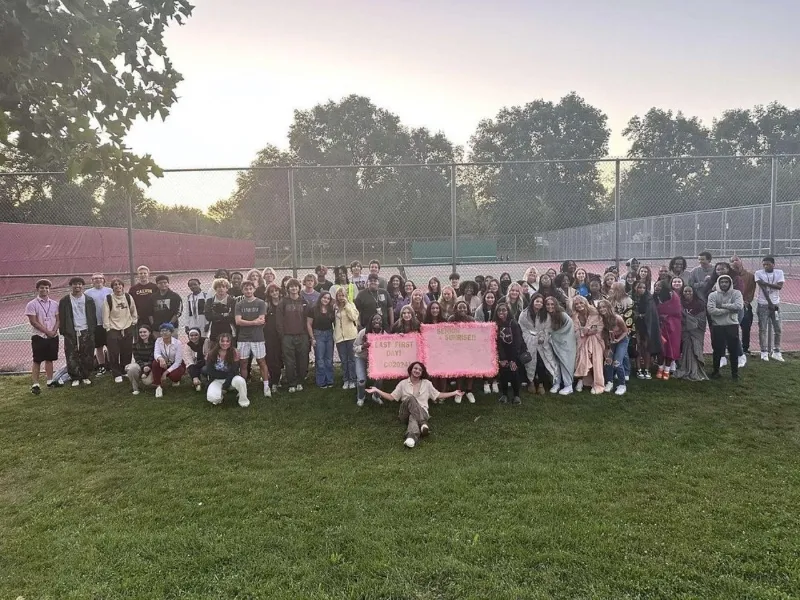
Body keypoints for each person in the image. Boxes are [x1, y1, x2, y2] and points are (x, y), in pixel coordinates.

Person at [367, 362, 462, 449]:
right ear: (411, 369)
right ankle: (423, 424)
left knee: (413, 416)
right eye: (415, 368)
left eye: (420, 370)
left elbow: (438, 395)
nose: (417, 371)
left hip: (422, 411)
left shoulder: (427, 384)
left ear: (422, 373)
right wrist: (377, 390)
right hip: (405, 413)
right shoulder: (403, 383)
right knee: (411, 398)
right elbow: (391, 397)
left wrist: (454, 393)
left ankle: (411, 438)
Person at [59, 276, 97, 387]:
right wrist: (64, 331)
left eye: (80, 284)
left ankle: (85, 376)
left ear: (82, 286)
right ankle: (75, 377)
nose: (77, 286)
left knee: (87, 353)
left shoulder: (89, 300)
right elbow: (62, 317)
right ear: (71, 286)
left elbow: (93, 316)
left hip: (86, 330)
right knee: (71, 354)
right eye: (75, 284)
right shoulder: (65, 300)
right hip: (71, 331)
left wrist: (92, 329)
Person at [235, 280, 271, 397]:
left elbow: (261, 320)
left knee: (261, 361)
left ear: (254, 289)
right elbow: (238, 321)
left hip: (257, 338)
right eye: (246, 289)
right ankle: (243, 387)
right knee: (243, 363)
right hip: (243, 338)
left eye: (250, 288)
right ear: (242, 290)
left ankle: (266, 386)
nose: (248, 291)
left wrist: (250, 322)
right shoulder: (239, 304)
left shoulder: (261, 303)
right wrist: (254, 322)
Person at [25, 279, 60, 394]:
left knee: (49, 359)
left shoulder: (55, 304)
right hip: (39, 336)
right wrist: (47, 332)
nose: (44, 290)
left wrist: (54, 331)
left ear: (49, 289)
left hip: (52, 336)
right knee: (37, 360)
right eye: (42, 287)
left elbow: (58, 319)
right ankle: (35, 384)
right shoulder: (31, 304)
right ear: (37, 289)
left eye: (46, 288)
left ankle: (50, 381)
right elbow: (34, 322)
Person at [519, 294, 557, 395]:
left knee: (541, 361)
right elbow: (522, 328)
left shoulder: (545, 315)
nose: (539, 303)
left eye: (541, 302)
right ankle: (530, 382)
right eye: (537, 301)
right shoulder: (524, 314)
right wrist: (531, 338)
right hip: (528, 340)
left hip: (542, 342)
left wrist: (542, 337)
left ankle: (540, 383)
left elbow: (547, 329)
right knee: (530, 361)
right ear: (533, 302)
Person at [102, 278, 138, 384]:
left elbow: (133, 310)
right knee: (114, 352)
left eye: (119, 284)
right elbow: (105, 314)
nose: (118, 286)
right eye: (115, 285)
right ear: (112, 287)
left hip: (127, 327)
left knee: (126, 351)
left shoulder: (128, 297)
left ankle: (124, 370)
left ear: (123, 286)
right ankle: (116, 373)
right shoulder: (108, 298)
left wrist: (133, 321)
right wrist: (108, 328)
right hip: (113, 329)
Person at [276, 278, 310, 393]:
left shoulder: (304, 301)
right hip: (287, 336)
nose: (294, 288)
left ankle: (300, 381)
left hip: (302, 335)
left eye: (296, 286)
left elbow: (308, 319)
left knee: (303, 359)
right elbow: (279, 321)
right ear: (288, 288)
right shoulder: (283, 302)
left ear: (299, 288)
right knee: (289, 361)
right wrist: (283, 336)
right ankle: (292, 383)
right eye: (291, 286)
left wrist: (307, 334)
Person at [707, 274, 743, 380]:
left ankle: (734, 373)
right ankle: (716, 371)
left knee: (733, 350)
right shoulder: (712, 295)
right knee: (717, 350)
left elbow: (739, 306)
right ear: (718, 283)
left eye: (726, 282)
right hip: (718, 326)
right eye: (721, 282)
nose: (724, 284)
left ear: (730, 283)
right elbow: (711, 310)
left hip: (732, 325)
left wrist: (722, 306)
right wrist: (729, 309)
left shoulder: (736, 293)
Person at [205, 333, 250, 407]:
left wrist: (225, 385)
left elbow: (234, 371)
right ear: (218, 342)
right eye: (222, 341)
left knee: (241, 381)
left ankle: (243, 401)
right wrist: (225, 377)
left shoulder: (234, 352)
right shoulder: (212, 353)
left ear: (230, 342)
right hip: (217, 379)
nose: (225, 343)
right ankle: (220, 395)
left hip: (232, 378)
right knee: (213, 399)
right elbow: (210, 371)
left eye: (227, 341)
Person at [674, 286, 709, 382]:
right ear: (682, 292)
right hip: (684, 331)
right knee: (686, 348)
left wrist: (690, 321)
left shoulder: (700, 304)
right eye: (685, 291)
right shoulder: (679, 303)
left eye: (690, 291)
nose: (687, 293)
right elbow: (678, 316)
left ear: (694, 292)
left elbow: (701, 320)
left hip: (696, 332)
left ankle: (695, 369)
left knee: (695, 349)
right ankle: (685, 367)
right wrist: (687, 321)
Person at [572, 296, 605, 394]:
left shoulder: (595, 313)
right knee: (581, 355)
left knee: (596, 360)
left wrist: (586, 331)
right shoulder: (575, 316)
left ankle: (598, 384)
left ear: (585, 303)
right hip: (581, 341)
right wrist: (586, 331)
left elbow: (598, 328)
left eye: (581, 303)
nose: (579, 305)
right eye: (576, 304)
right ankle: (582, 380)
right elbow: (575, 331)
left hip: (596, 340)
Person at [494, 303, 524, 405]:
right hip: (502, 354)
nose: (501, 312)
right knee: (503, 375)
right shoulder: (495, 325)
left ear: (508, 311)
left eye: (504, 310)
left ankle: (516, 395)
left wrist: (513, 359)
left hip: (513, 353)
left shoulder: (513, 323)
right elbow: (497, 342)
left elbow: (518, 342)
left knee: (514, 373)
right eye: (499, 310)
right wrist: (502, 358)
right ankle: (504, 394)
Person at [546, 296, 577, 395]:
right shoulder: (545, 315)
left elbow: (569, 326)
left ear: (556, 305)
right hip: (551, 343)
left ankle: (568, 385)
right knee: (554, 364)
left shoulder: (562, 315)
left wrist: (555, 335)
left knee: (565, 362)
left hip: (564, 343)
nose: (550, 306)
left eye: (552, 304)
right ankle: (556, 383)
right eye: (548, 304)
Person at [597, 300, 629, 395]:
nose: (602, 309)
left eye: (604, 307)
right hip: (610, 342)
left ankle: (622, 385)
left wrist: (618, 340)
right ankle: (609, 382)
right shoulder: (601, 319)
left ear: (608, 307)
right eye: (600, 307)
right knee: (608, 362)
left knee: (617, 363)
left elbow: (625, 331)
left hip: (621, 341)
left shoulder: (617, 318)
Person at [354, 314, 386, 407]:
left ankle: (376, 396)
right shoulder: (363, 332)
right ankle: (361, 397)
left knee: (380, 378)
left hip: (376, 359)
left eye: (379, 319)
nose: (377, 321)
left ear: (382, 322)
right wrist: (363, 346)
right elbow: (354, 347)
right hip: (361, 357)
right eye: (374, 319)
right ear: (370, 321)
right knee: (361, 380)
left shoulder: (385, 334)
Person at [448, 300, 477, 403]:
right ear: (456, 309)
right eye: (460, 307)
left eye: (464, 307)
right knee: (459, 370)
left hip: (469, 349)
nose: (462, 309)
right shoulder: (451, 319)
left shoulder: (471, 320)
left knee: (470, 371)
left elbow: (475, 335)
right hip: (456, 349)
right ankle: (459, 391)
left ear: (467, 309)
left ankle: (469, 391)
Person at [632, 280, 662, 380]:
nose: (641, 289)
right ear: (635, 288)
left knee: (647, 347)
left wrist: (644, 316)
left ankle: (647, 369)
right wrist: (637, 315)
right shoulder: (632, 298)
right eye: (639, 287)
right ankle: (638, 369)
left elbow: (652, 313)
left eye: (643, 288)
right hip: (636, 325)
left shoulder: (649, 299)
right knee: (638, 347)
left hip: (646, 326)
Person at [654, 277, 683, 380]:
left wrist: (666, 316)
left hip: (673, 326)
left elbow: (677, 311)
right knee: (661, 347)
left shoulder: (673, 297)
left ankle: (667, 370)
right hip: (660, 326)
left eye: (659, 286)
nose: (657, 287)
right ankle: (660, 368)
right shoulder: (655, 298)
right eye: (656, 285)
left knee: (671, 347)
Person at [307, 291, 336, 388]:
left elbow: (334, 322)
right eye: (324, 297)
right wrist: (312, 338)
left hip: (329, 334)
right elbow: (309, 324)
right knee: (320, 359)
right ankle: (321, 381)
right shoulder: (313, 309)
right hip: (318, 334)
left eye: (328, 298)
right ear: (320, 298)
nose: (326, 300)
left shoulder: (331, 310)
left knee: (329, 359)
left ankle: (330, 380)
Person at [730, 255, 755, 366]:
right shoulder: (729, 276)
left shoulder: (750, 276)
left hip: (745, 305)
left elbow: (751, 291)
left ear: (741, 261)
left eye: (736, 260)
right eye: (732, 261)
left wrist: (746, 302)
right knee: (731, 329)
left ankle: (745, 349)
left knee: (746, 327)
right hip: (732, 306)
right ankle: (732, 349)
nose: (734, 262)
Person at [85, 273, 112, 375]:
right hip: (96, 324)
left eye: (100, 278)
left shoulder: (109, 291)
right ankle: (101, 366)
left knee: (110, 345)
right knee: (99, 346)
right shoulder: (87, 293)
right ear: (92, 281)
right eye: (95, 278)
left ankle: (110, 365)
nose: (98, 280)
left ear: (104, 280)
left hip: (108, 323)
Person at [333, 287, 359, 390]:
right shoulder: (335, 307)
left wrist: (347, 305)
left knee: (351, 359)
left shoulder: (351, 305)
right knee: (344, 360)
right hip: (340, 338)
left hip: (351, 336)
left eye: (343, 295)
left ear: (346, 296)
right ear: (336, 297)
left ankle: (353, 380)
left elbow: (354, 317)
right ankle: (346, 380)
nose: (341, 297)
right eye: (339, 295)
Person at [609, 282, 634, 382]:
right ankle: (617, 370)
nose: (611, 290)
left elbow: (629, 316)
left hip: (624, 328)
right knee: (616, 351)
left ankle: (627, 371)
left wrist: (625, 330)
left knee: (625, 352)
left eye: (613, 289)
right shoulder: (610, 300)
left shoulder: (628, 300)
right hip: (613, 329)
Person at [152, 323, 185, 397]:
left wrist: (165, 373)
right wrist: (160, 359)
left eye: (166, 331)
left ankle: (175, 379)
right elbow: (156, 353)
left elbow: (178, 362)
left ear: (171, 332)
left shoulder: (177, 343)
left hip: (175, 364)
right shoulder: (158, 340)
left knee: (175, 376)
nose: (163, 333)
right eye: (162, 331)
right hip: (164, 363)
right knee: (155, 363)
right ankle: (158, 386)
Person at [263, 283, 284, 392]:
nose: (274, 293)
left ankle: (279, 377)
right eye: (272, 291)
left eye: (276, 290)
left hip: (282, 335)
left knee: (281, 357)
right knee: (271, 358)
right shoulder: (267, 305)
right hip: (270, 336)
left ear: (279, 291)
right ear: (269, 294)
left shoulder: (284, 303)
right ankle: (274, 382)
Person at [205, 278, 237, 344]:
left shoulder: (232, 300)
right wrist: (224, 315)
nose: (221, 289)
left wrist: (217, 315)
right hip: (214, 328)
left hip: (228, 328)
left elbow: (232, 316)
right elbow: (208, 316)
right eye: (219, 287)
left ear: (227, 288)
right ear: (215, 288)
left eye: (223, 287)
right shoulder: (210, 301)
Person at [126, 324, 155, 395]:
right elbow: (137, 358)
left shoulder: (155, 343)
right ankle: (135, 389)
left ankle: (156, 384)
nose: (142, 334)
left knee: (147, 382)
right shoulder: (135, 344)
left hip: (152, 364)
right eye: (140, 332)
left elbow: (153, 356)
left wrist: (148, 366)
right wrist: (143, 367)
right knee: (132, 369)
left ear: (149, 332)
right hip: (141, 364)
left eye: (145, 332)